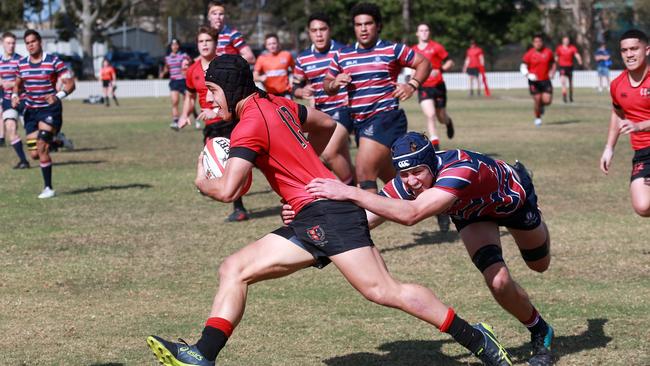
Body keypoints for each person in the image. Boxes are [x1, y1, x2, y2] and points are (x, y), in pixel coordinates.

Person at [146, 54, 513, 366]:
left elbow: (227, 189)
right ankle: (202, 355)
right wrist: (305, 174)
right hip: (313, 214)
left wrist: (201, 180)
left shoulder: (249, 125)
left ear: (230, 88)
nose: (209, 99)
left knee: (384, 291)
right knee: (234, 269)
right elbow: (328, 126)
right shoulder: (280, 104)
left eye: (212, 91)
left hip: (330, 215)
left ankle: (478, 339)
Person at [302, 131, 555, 366]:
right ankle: (540, 330)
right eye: (404, 174)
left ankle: (531, 196)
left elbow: (413, 214)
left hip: (513, 202)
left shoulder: (460, 168)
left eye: (418, 172)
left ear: (432, 163)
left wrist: (349, 192)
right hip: (472, 215)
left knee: (539, 266)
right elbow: (363, 219)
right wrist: (317, 234)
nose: (411, 181)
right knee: (498, 282)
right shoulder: (406, 183)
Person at [324, 3, 431, 194]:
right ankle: (433, 202)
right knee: (395, 179)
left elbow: (423, 62)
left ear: (378, 25)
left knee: (364, 173)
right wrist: (334, 83)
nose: (363, 29)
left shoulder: (392, 49)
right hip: (359, 121)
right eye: (358, 25)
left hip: (385, 117)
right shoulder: (342, 54)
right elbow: (328, 83)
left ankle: (361, 223)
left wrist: (412, 85)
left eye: (368, 23)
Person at [178, 26, 251, 222]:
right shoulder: (192, 70)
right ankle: (227, 196)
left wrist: (216, 110)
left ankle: (239, 207)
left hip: (229, 121)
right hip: (211, 126)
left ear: (216, 44)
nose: (204, 45)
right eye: (201, 41)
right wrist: (184, 115)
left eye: (208, 41)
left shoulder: (223, 65)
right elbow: (189, 96)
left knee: (233, 163)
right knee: (214, 162)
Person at [12, 29, 75, 198]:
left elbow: (70, 84)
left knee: (42, 147)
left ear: (40, 42)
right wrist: (15, 96)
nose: (30, 45)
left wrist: (58, 96)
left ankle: (48, 188)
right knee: (34, 154)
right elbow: (17, 85)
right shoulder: (22, 64)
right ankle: (59, 140)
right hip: (31, 112)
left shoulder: (54, 61)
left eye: (33, 41)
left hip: (50, 109)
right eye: (27, 43)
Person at [293, 12, 354, 184]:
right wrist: (302, 91)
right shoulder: (303, 58)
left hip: (343, 109)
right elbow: (294, 88)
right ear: (309, 32)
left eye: (323, 29)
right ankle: (359, 190)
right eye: (314, 30)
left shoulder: (344, 52)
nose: (319, 34)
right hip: (320, 115)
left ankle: (350, 193)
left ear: (330, 30)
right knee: (340, 158)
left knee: (328, 153)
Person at [600, 29, 650, 218]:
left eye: (634, 49)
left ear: (647, 50)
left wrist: (640, 126)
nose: (629, 54)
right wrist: (609, 148)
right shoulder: (617, 85)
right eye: (624, 50)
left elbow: (636, 124)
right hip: (643, 152)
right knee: (642, 206)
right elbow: (617, 113)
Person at [412, 23, 455, 149]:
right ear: (417, 33)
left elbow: (450, 61)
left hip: (438, 86)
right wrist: (412, 84)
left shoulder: (436, 47)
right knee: (430, 114)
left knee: (441, 117)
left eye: (426, 30)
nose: (424, 32)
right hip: (423, 86)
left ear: (429, 32)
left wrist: (440, 70)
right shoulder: (413, 49)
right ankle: (435, 143)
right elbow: (413, 69)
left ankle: (448, 122)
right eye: (421, 30)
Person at [0, 31, 29, 169]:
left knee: (31, 134)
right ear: (2, 44)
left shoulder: (21, 60)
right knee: (10, 128)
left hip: (23, 99)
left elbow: (26, 80)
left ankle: (53, 142)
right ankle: (23, 161)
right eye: (8, 43)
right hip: (7, 101)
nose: (11, 46)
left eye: (13, 43)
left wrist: (12, 84)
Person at [521, 34, 555, 127]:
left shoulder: (548, 52)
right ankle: (538, 118)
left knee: (547, 101)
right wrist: (528, 75)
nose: (538, 43)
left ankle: (541, 106)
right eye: (536, 42)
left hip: (545, 80)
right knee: (537, 99)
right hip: (534, 81)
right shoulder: (529, 54)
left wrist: (552, 72)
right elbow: (523, 66)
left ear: (542, 42)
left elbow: (553, 63)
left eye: (539, 41)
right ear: (533, 43)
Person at [160, 38, 190, 130]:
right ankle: (175, 121)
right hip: (174, 81)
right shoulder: (167, 58)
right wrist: (163, 73)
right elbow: (167, 68)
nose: (175, 46)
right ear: (171, 46)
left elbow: (188, 63)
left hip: (183, 81)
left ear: (179, 46)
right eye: (173, 45)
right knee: (175, 102)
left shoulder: (183, 55)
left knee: (187, 101)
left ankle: (186, 118)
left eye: (176, 44)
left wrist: (186, 69)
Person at [254, 34, 294, 98]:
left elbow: (295, 70)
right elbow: (255, 76)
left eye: (274, 43)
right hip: (270, 94)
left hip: (286, 92)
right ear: (266, 46)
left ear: (278, 44)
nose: (272, 46)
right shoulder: (261, 58)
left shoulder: (287, 55)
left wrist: (293, 80)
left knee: (290, 108)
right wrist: (260, 78)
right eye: (269, 44)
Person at [554, 36, 582, 103]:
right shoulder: (559, 48)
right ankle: (564, 96)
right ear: (563, 41)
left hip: (570, 67)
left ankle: (571, 96)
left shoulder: (572, 48)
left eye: (567, 40)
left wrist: (579, 60)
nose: (566, 41)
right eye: (565, 40)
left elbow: (576, 54)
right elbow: (556, 57)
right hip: (562, 67)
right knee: (563, 82)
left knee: (571, 83)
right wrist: (554, 64)